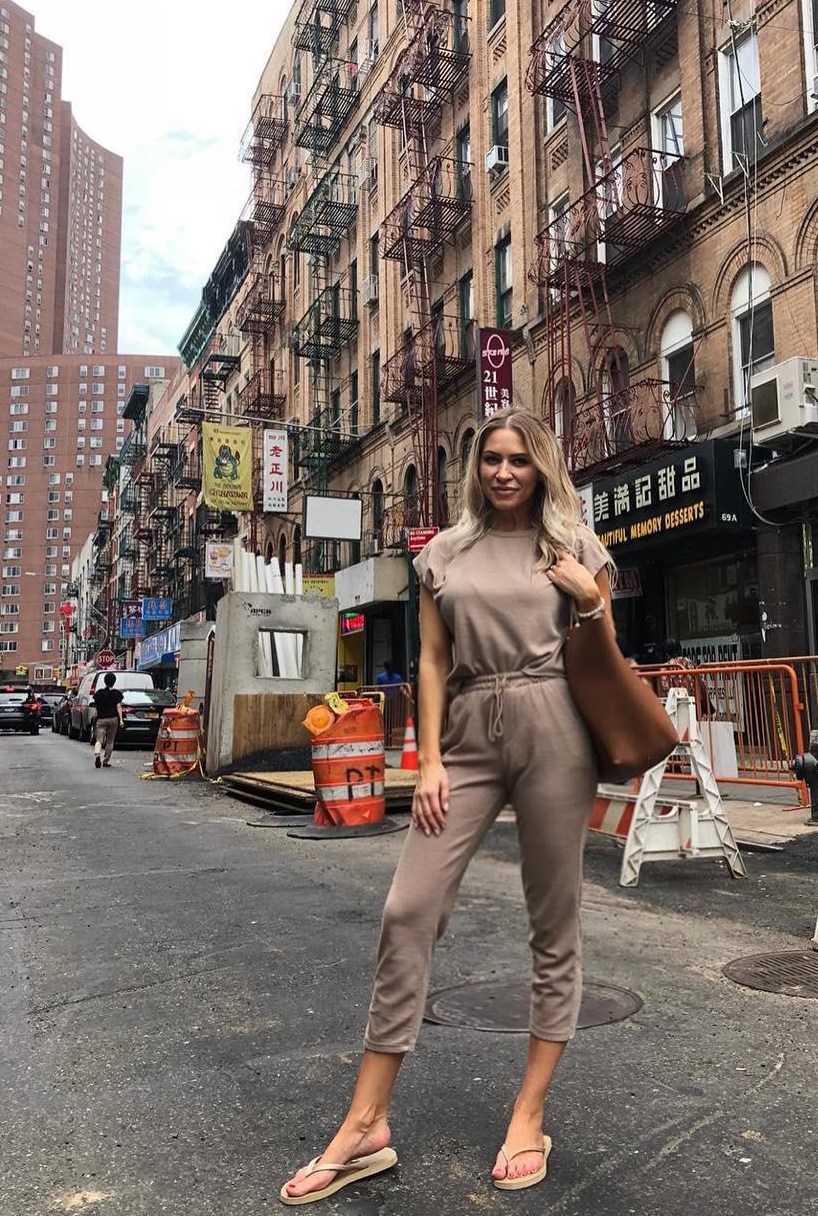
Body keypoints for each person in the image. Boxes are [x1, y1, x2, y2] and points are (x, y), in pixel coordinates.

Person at [281, 406, 614, 1205]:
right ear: (475, 468)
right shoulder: (444, 554)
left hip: (555, 728)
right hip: (465, 736)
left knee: (553, 923)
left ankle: (529, 1113)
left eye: (519, 460)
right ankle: (366, 1122)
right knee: (408, 909)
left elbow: (604, 659)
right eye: (492, 458)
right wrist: (427, 760)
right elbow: (432, 660)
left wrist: (592, 603)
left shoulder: (576, 546)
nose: (504, 472)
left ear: (542, 468)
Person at [91, 672, 124, 768]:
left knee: (99, 740)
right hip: (113, 719)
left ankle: (97, 754)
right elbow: (118, 706)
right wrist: (121, 720)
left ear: (105, 681)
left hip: (101, 719)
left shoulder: (99, 693)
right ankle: (106, 761)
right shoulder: (117, 694)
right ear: (114, 681)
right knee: (110, 741)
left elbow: (96, 706)